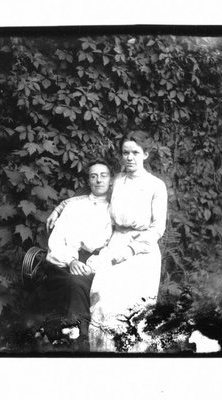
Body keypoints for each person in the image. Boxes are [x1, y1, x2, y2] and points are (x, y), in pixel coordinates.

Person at [46, 130, 168, 352]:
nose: (129, 158)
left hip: (142, 249)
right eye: (125, 153)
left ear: (146, 154)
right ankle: (100, 356)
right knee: (103, 301)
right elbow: (94, 193)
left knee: (131, 309)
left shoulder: (156, 185)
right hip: (115, 243)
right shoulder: (119, 180)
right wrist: (61, 206)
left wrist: (132, 249)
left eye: (135, 153)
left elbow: (158, 228)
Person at [33, 159, 113, 350]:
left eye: (103, 176)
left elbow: (114, 245)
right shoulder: (74, 206)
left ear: (111, 180)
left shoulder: (116, 209)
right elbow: (57, 240)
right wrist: (71, 261)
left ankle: (74, 338)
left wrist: (91, 265)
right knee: (70, 281)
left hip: (100, 263)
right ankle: (77, 337)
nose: (99, 180)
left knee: (78, 283)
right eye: (93, 176)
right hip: (65, 261)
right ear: (88, 181)